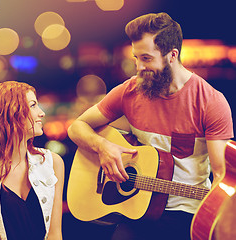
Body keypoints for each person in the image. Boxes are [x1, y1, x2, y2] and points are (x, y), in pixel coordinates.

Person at [67, 12, 234, 240]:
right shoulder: (130, 90)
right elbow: (77, 127)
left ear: (172, 55)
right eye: (135, 58)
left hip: (186, 213)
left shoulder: (211, 102)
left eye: (146, 58)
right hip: (137, 208)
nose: (138, 67)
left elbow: (221, 178)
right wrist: (102, 147)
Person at [0, 81, 65, 240]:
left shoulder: (53, 163)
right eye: (33, 105)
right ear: (11, 112)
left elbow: (55, 234)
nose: (41, 113)